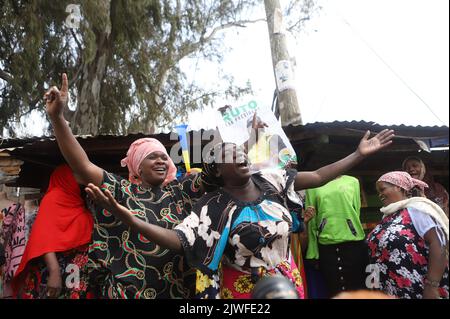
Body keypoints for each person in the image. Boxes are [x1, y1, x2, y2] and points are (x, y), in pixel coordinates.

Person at [85, 127, 394, 299]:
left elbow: (317, 176)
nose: (241, 155)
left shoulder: (272, 180)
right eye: (231, 154)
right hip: (243, 293)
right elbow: (178, 240)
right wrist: (128, 217)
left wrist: (357, 154)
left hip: (289, 281)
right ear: (218, 169)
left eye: (242, 151)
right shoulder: (213, 206)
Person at [44, 74, 204, 298]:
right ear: (137, 167)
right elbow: (82, 165)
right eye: (151, 157)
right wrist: (58, 119)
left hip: (181, 294)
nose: (160, 160)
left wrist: (251, 140)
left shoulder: (182, 191)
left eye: (163, 157)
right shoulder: (122, 191)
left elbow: (223, 172)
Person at [13, 165, 94, 299]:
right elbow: (43, 237)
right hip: (54, 271)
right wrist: (54, 271)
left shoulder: (77, 201)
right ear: (65, 178)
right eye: (75, 174)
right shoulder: (53, 199)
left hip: (74, 273)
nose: (81, 177)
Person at [367, 171, 449, 299]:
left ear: (398, 187)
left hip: (417, 290)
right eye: (378, 191)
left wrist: (431, 286)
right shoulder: (387, 218)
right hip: (389, 291)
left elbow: (439, 243)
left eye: (383, 189)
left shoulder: (418, 211)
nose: (380, 194)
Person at [305, 175, 368, 298]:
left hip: (354, 243)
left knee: (358, 287)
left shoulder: (353, 181)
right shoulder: (312, 186)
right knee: (334, 290)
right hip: (326, 245)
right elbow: (311, 220)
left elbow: (356, 211)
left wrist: (352, 229)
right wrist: (313, 252)